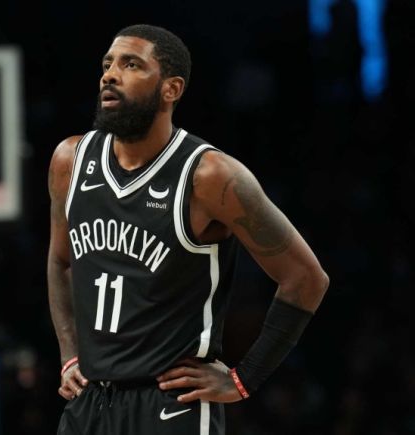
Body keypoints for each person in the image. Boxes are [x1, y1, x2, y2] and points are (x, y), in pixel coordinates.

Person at [47, 24, 329, 435]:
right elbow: (60, 262)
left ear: (171, 89)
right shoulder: (70, 160)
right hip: (90, 401)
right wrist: (69, 353)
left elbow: (306, 278)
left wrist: (244, 379)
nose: (110, 75)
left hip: (169, 404)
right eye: (107, 64)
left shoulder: (210, 176)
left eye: (131, 65)